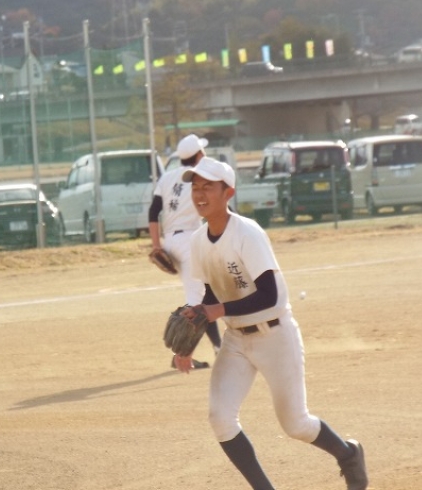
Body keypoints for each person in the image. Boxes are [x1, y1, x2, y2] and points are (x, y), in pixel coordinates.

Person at [176, 157, 368, 490]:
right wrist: (188, 341)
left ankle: (348, 454)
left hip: (275, 336)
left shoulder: (247, 233)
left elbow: (270, 295)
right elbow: (211, 294)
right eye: (195, 187)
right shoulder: (198, 241)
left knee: (295, 424)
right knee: (220, 418)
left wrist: (218, 310)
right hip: (236, 340)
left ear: (228, 193)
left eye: (208, 187)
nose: (200, 194)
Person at [149, 134, 221, 368]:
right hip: (190, 240)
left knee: (204, 295)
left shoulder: (167, 177)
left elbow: (153, 212)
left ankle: (218, 347)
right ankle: (182, 355)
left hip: (171, 240)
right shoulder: (201, 176)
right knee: (197, 300)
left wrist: (156, 245)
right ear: (199, 155)